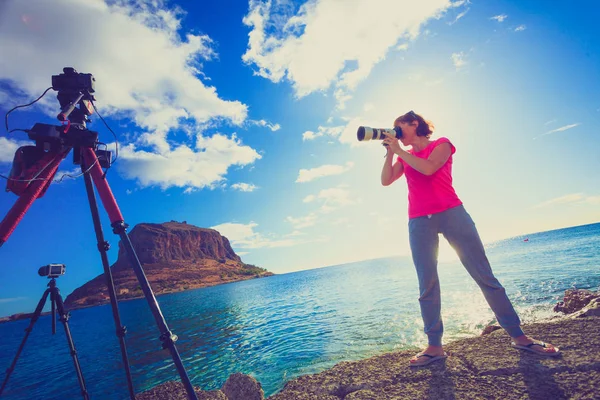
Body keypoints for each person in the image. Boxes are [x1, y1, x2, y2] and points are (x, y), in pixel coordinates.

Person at [381, 110, 560, 367]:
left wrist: (399, 150)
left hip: (453, 214)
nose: (396, 133)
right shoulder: (403, 156)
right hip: (419, 221)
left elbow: (430, 168)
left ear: (414, 123)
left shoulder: (441, 144)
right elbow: (386, 180)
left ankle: (520, 337)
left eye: (399, 127)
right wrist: (390, 151)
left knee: (484, 276)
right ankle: (434, 346)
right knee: (427, 285)